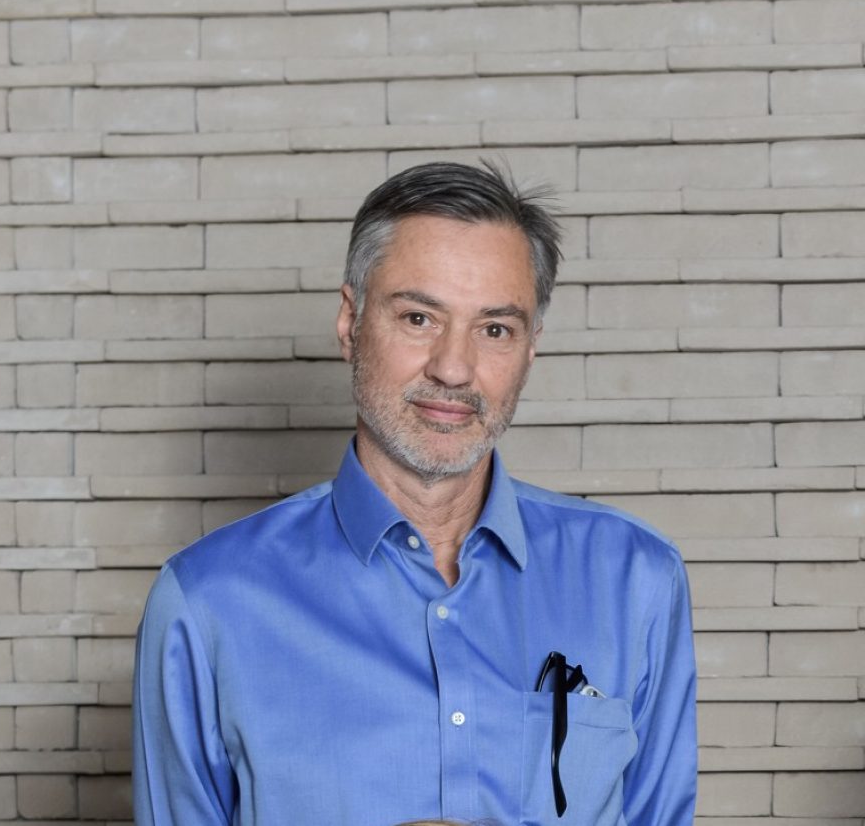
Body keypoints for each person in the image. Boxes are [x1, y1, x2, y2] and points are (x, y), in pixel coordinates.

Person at [132, 161, 697, 825]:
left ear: (530, 349)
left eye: (494, 329)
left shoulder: (635, 581)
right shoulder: (207, 603)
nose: (453, 369)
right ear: (351, 322)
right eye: (420, 318)